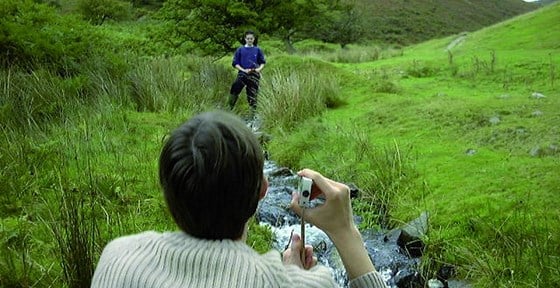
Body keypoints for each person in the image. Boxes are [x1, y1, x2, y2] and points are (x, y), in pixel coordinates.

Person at [91, 110, 388, 288]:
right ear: (263, 188)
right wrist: (345, 231)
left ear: (168, 191)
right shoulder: (308, 284)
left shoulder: (117, 257)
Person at [228, 30, 266, 113]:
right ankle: (229, 108)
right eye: (248, 38)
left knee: (252, 95)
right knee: (235, 88)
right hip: (242, 74)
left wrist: (257, 70)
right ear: (245, 39)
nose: (249, 40)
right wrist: (243, 70)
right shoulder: (240, 50)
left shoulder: (258, 50)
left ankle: (253, 114)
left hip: (254, 75)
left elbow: (262, 63)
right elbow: (235, 63)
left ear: (253, 39)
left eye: (251, 38)